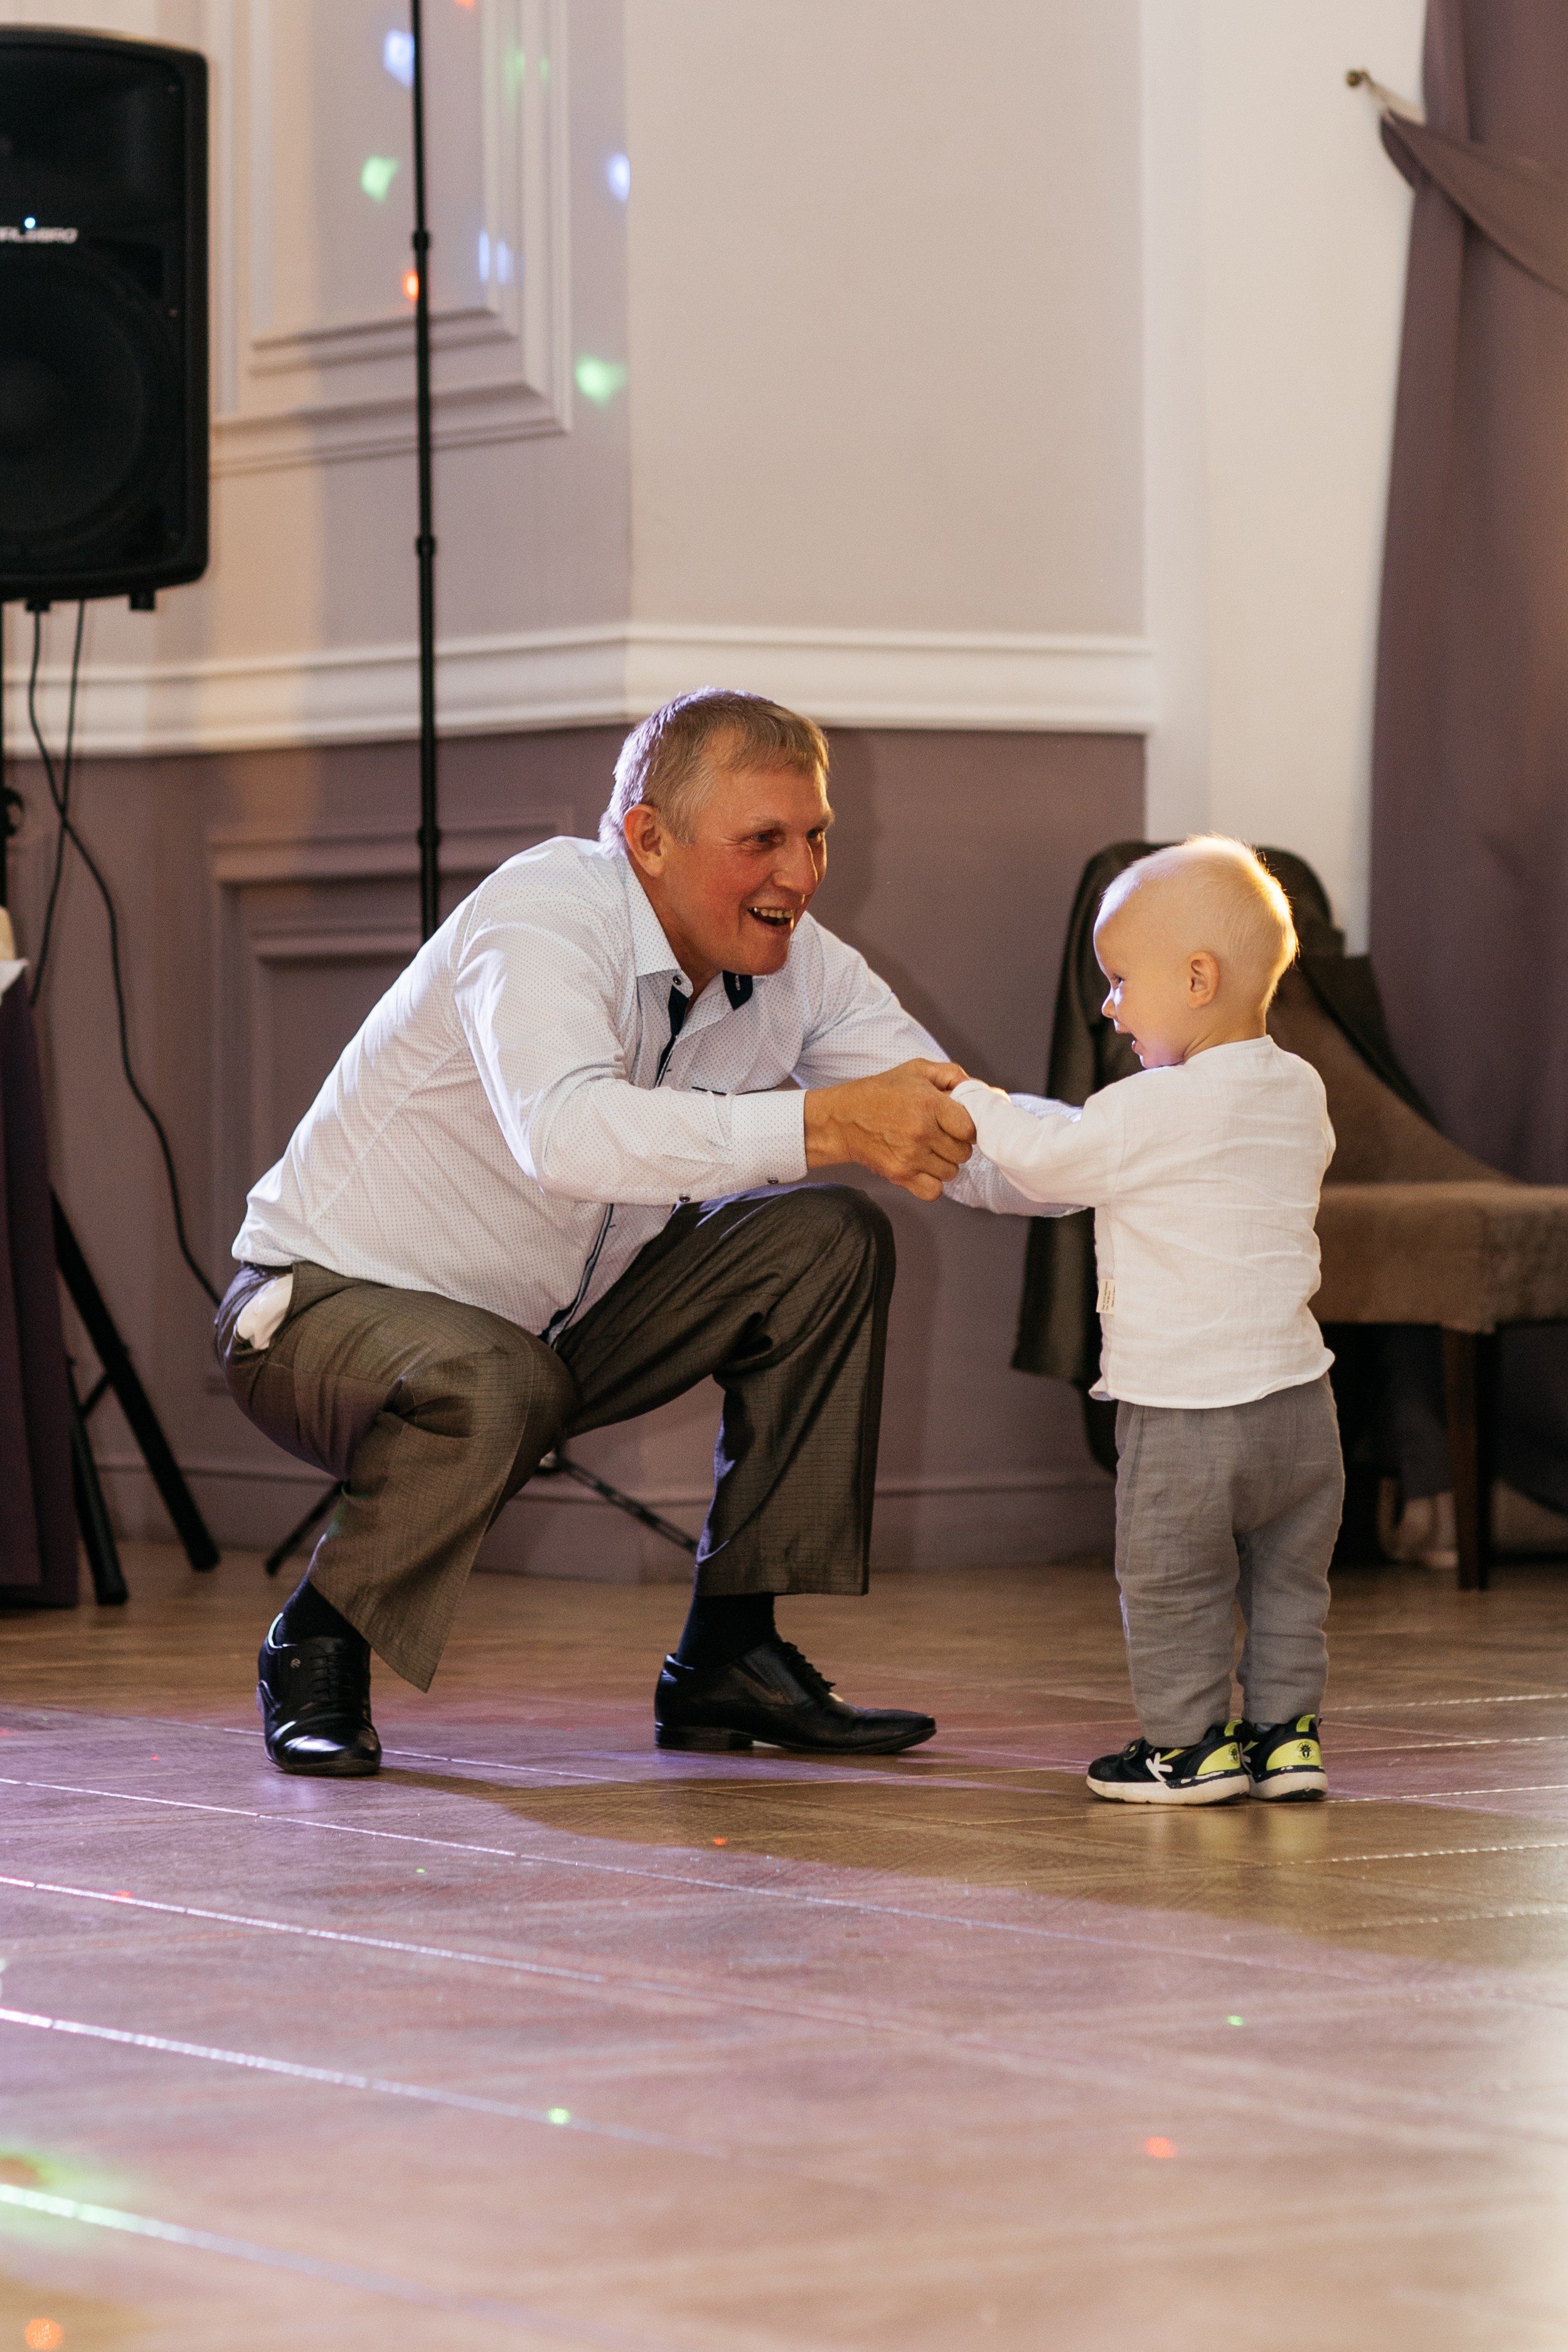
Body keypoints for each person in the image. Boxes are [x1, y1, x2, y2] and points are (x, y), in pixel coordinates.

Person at [216, 689, 1038, 1778]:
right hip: (315, 1316)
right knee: (499, 1376)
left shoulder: (802, 966)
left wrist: (1155, 1152)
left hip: (552, 1331)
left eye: (815, 837)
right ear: (648, 838)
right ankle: (317, 1641)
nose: (800, 875)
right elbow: (563, 1137)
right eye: (762, 841)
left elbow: (954, 1125)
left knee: (825, 1240)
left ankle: (728, 1655)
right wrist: (824, 1121)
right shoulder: (545, 913)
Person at [952, 837, 1342, 1805]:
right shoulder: (1300, 1089)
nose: (1110, 1006)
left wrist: (972, 1101)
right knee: (1290, 1586)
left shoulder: (1148, 1105)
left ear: (1198, 980)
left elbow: (1053, 1159)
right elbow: (1104, 1144)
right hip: (1304, 1409)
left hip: (1186, 1414)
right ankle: (1286, 1739)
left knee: (1174, 1583)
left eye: (1123, 981)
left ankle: (1187, 1749)